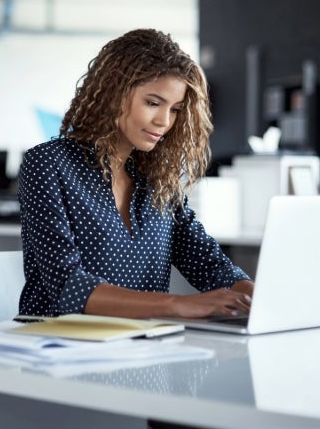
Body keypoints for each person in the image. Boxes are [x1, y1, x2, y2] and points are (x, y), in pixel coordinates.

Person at [18, 28, 254, 320]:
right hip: (59, 348)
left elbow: (209, 264)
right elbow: (68, 286)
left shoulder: (157, 178)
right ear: (112, 94)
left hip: (145, 350)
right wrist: (177, 304)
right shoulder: (48, 164)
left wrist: (257, 297)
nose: (164, 121)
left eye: (176, 109)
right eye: (152, 103)